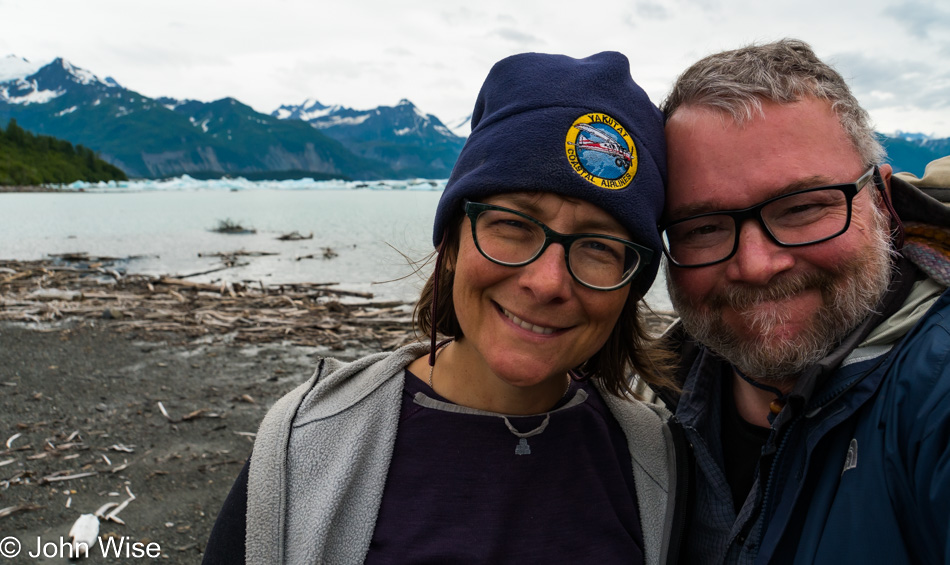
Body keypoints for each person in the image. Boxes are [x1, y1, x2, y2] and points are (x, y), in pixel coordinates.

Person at [203, 51, 690, 564]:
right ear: (452, 243)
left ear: (630, 284)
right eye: (513, 224)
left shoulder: (657, 463)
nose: (547, 283)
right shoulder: (307, 444)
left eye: (599, 247)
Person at [656, 39, 950, 564]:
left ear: (883, 204)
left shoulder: (935, 390)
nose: (756, 265)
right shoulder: (642, 401)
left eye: (803, 208)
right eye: (702, 227)